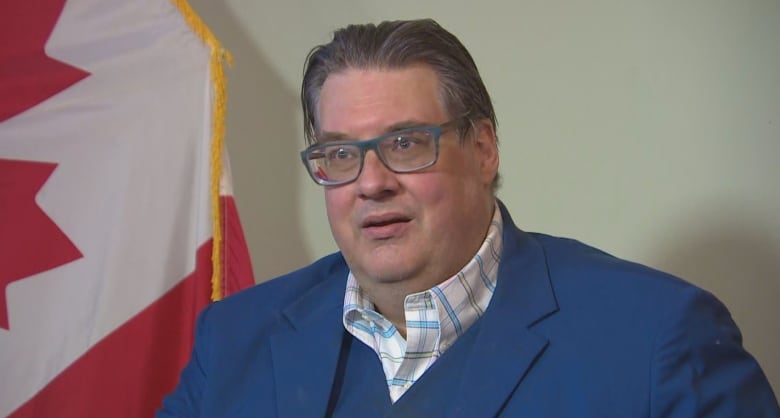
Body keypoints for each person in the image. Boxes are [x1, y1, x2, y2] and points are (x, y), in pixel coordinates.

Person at [158, 18, 779, 417]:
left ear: (483, 150)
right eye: (341, 154)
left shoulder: (654, 340)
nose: (371, 183)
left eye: (404, 144)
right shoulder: (235, 339)